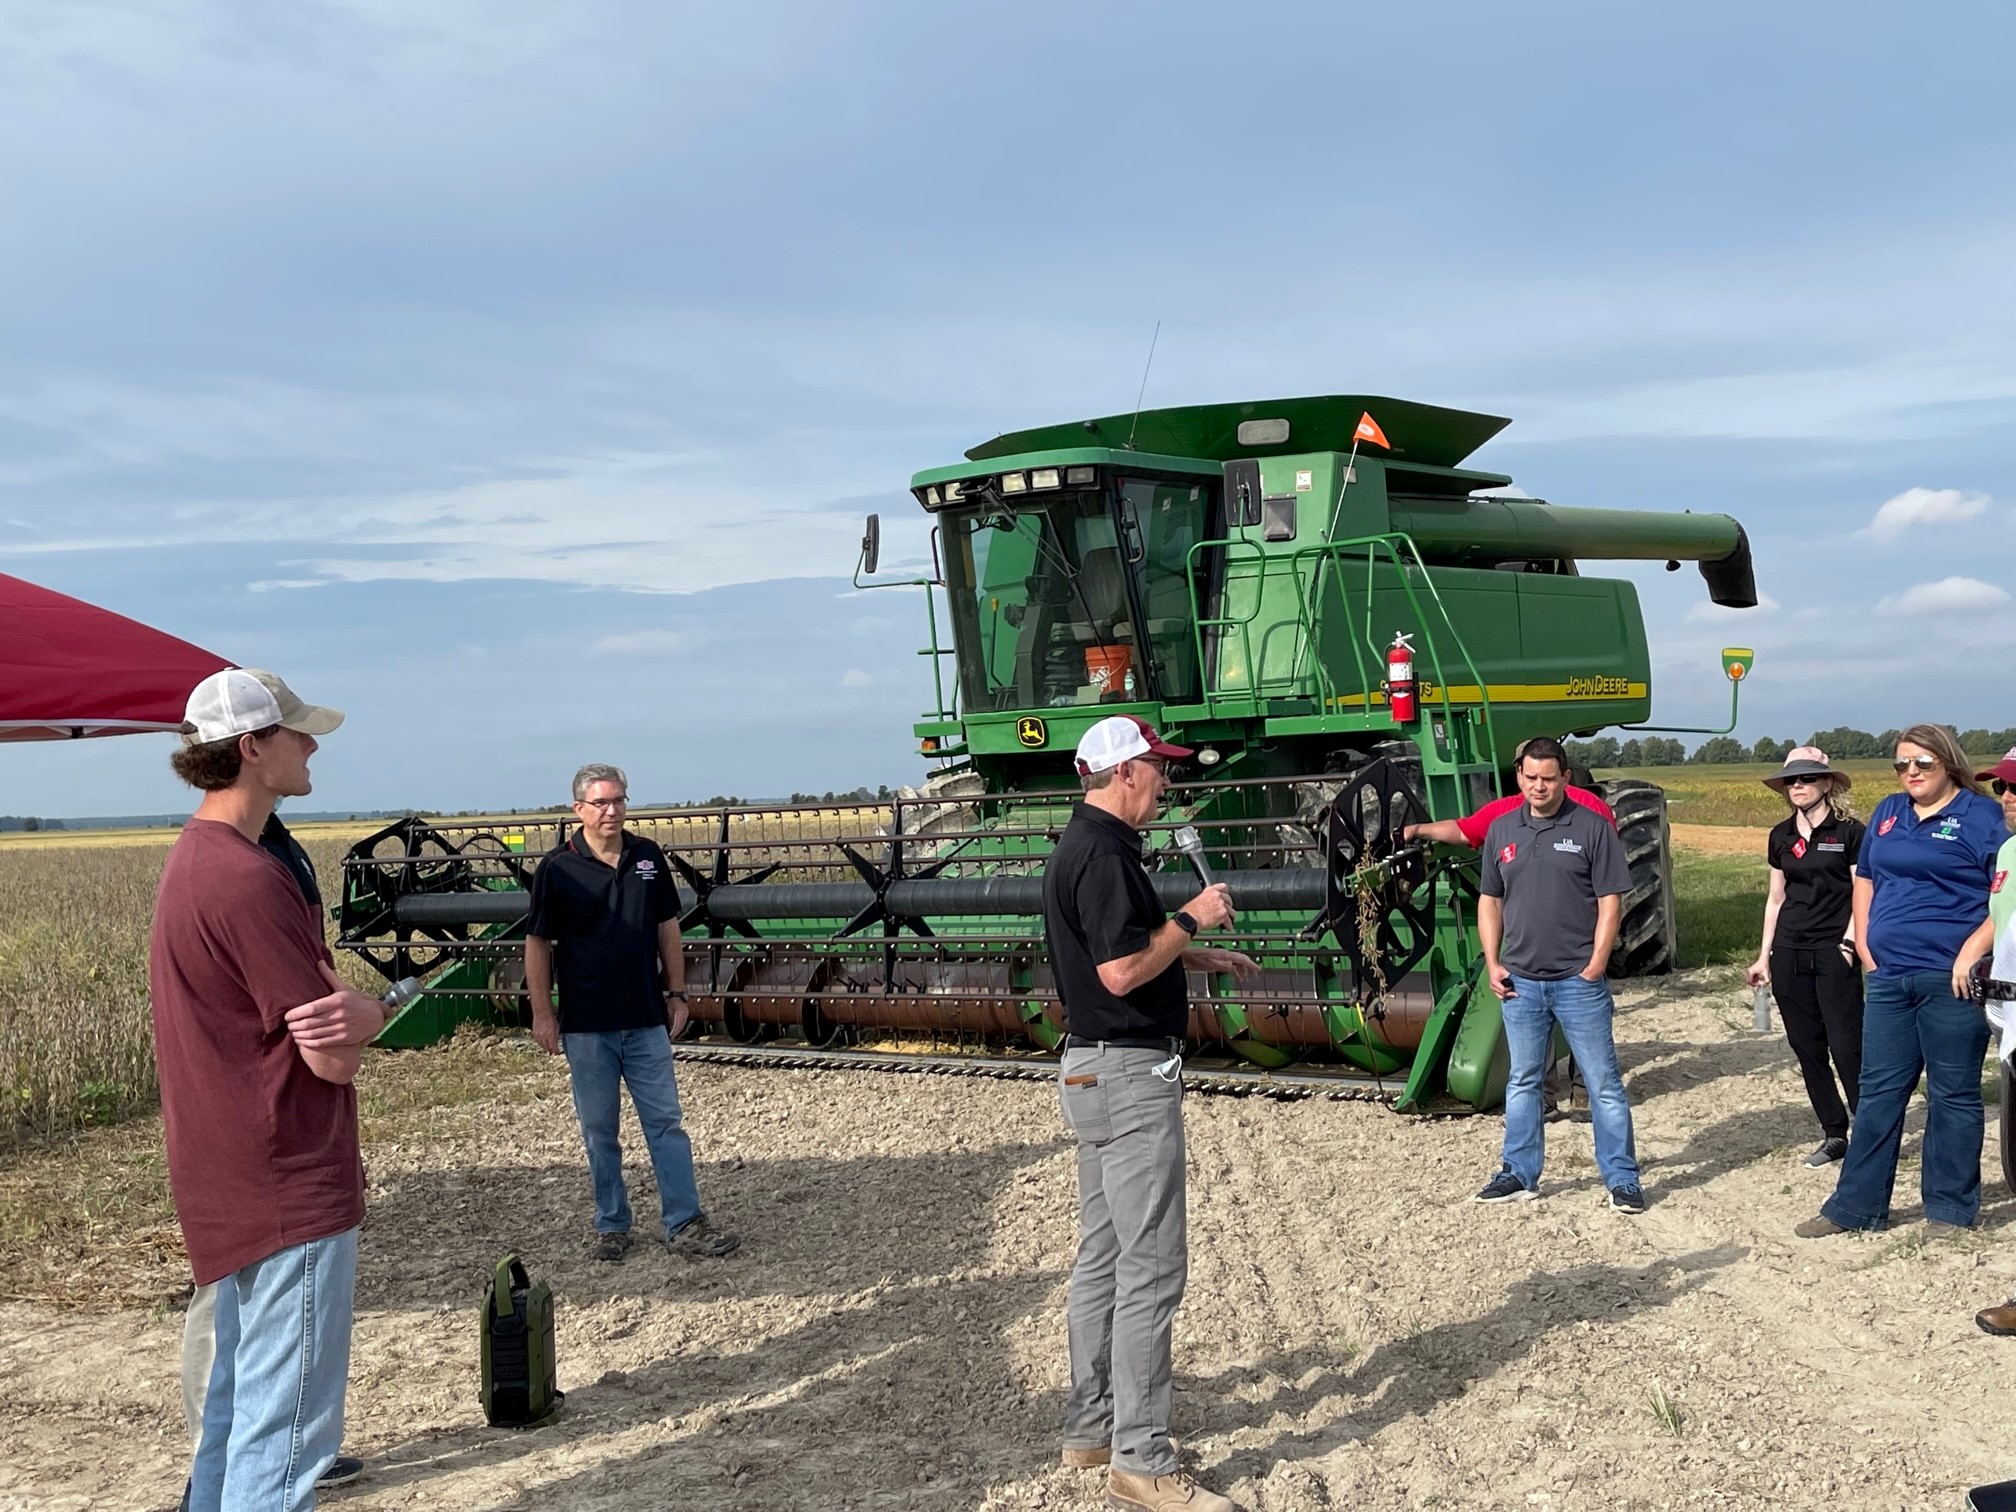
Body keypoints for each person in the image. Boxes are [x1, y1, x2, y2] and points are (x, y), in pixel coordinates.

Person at [151, 668, 391, 1510]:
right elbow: (331, 1057)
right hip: (288, 1174)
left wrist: (335, 1003)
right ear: (252, 749)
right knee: (289, 1437)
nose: (312, 745)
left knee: (238, 1405)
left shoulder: (195, 860)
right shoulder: (252, 880)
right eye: (297, 733)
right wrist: (369, 1012)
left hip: (230, 1174)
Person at [1042, 715, 1259, 1512]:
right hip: (1131, 1074)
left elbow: (1122, 955)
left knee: (1102, 1253)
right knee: (1153, 1267)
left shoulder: (1085, 846)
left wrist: (1197, 955)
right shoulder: (1103, 856)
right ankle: (1142, 1460)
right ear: (1124, 770)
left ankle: (1090, 1428)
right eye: (1158, 768)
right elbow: (1125, 970)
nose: (1166, 781)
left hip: (1090, 1073)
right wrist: (1196, 916)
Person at [524, 763, 739, 1262]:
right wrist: (542, 1011)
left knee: (665, 1124)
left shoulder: (647, 857)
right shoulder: (557, 869)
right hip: (586, 1025)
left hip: (645, 1019)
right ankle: (612, 1225)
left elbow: (667, 925)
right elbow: (538, 943)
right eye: (601, 802)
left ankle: (684, 1222)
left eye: (619, 800)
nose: (612, 810)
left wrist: (678, 992)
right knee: (600, 1130)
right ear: (578, 809)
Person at [1797, 725, 2002, 1239]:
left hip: (1951, 978)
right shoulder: (1890, 812)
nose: (1910, 772)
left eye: (1922, 763)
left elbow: (2009, 896)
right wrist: (1865, 942)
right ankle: (1854, 1207)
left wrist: (1972, 952)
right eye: (1902, 764)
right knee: (1879, 1090)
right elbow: (1864, 876)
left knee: (1952, 1093)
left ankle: (1949, 1210)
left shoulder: (1982, 818)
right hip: (1889, 976)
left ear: (1948, 765)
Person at [1471, 736, 1644, 1213]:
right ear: (1519, 777)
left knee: (1603, 1082)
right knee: (1523, 1080)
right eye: (1530, 778)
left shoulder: (1592, 828)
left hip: (1577, 981)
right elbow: (1490, 899)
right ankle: (1518, 1172)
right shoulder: (1502, 831)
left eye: (1549, 778)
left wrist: (1596, 963)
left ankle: (1622, 1178)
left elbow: (1612, 899)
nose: (1539, 787)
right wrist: (1493, 960)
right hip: (1520, 982)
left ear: (1565, 778)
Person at [1744, 748, 1866, 1168]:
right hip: (1789, 953)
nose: (1798, 786)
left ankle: (1868, 1130)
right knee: (1806, 1045)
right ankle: (1834, 1133)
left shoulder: (1850, 832)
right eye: (1791, 781)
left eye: (1808, 779)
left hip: (1835, 952)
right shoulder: (1780, 836)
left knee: (1846, 1044)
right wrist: (1763, 957)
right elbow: (1775, 900)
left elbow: (1862, 895)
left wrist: (1851, 943)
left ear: (1827, 783)